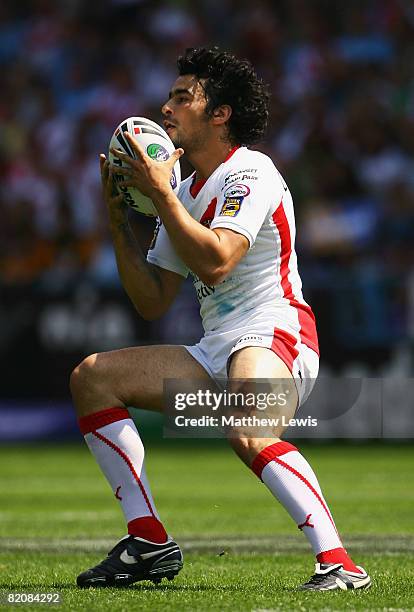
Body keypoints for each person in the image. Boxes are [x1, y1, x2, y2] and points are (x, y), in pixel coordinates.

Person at [71, 47, 371, 591]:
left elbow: (217, 258)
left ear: (220, 114)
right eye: (168, 96)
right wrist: (120, 219)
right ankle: (148, 541)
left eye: (182, 97)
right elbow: (153, 301)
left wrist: (160, 193)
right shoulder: (184, 192)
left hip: (278, 330)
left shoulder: (250, 171)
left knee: (249, 426)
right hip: (217, 347)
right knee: (92, 377)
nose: (166, 107)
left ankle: (340, 564)